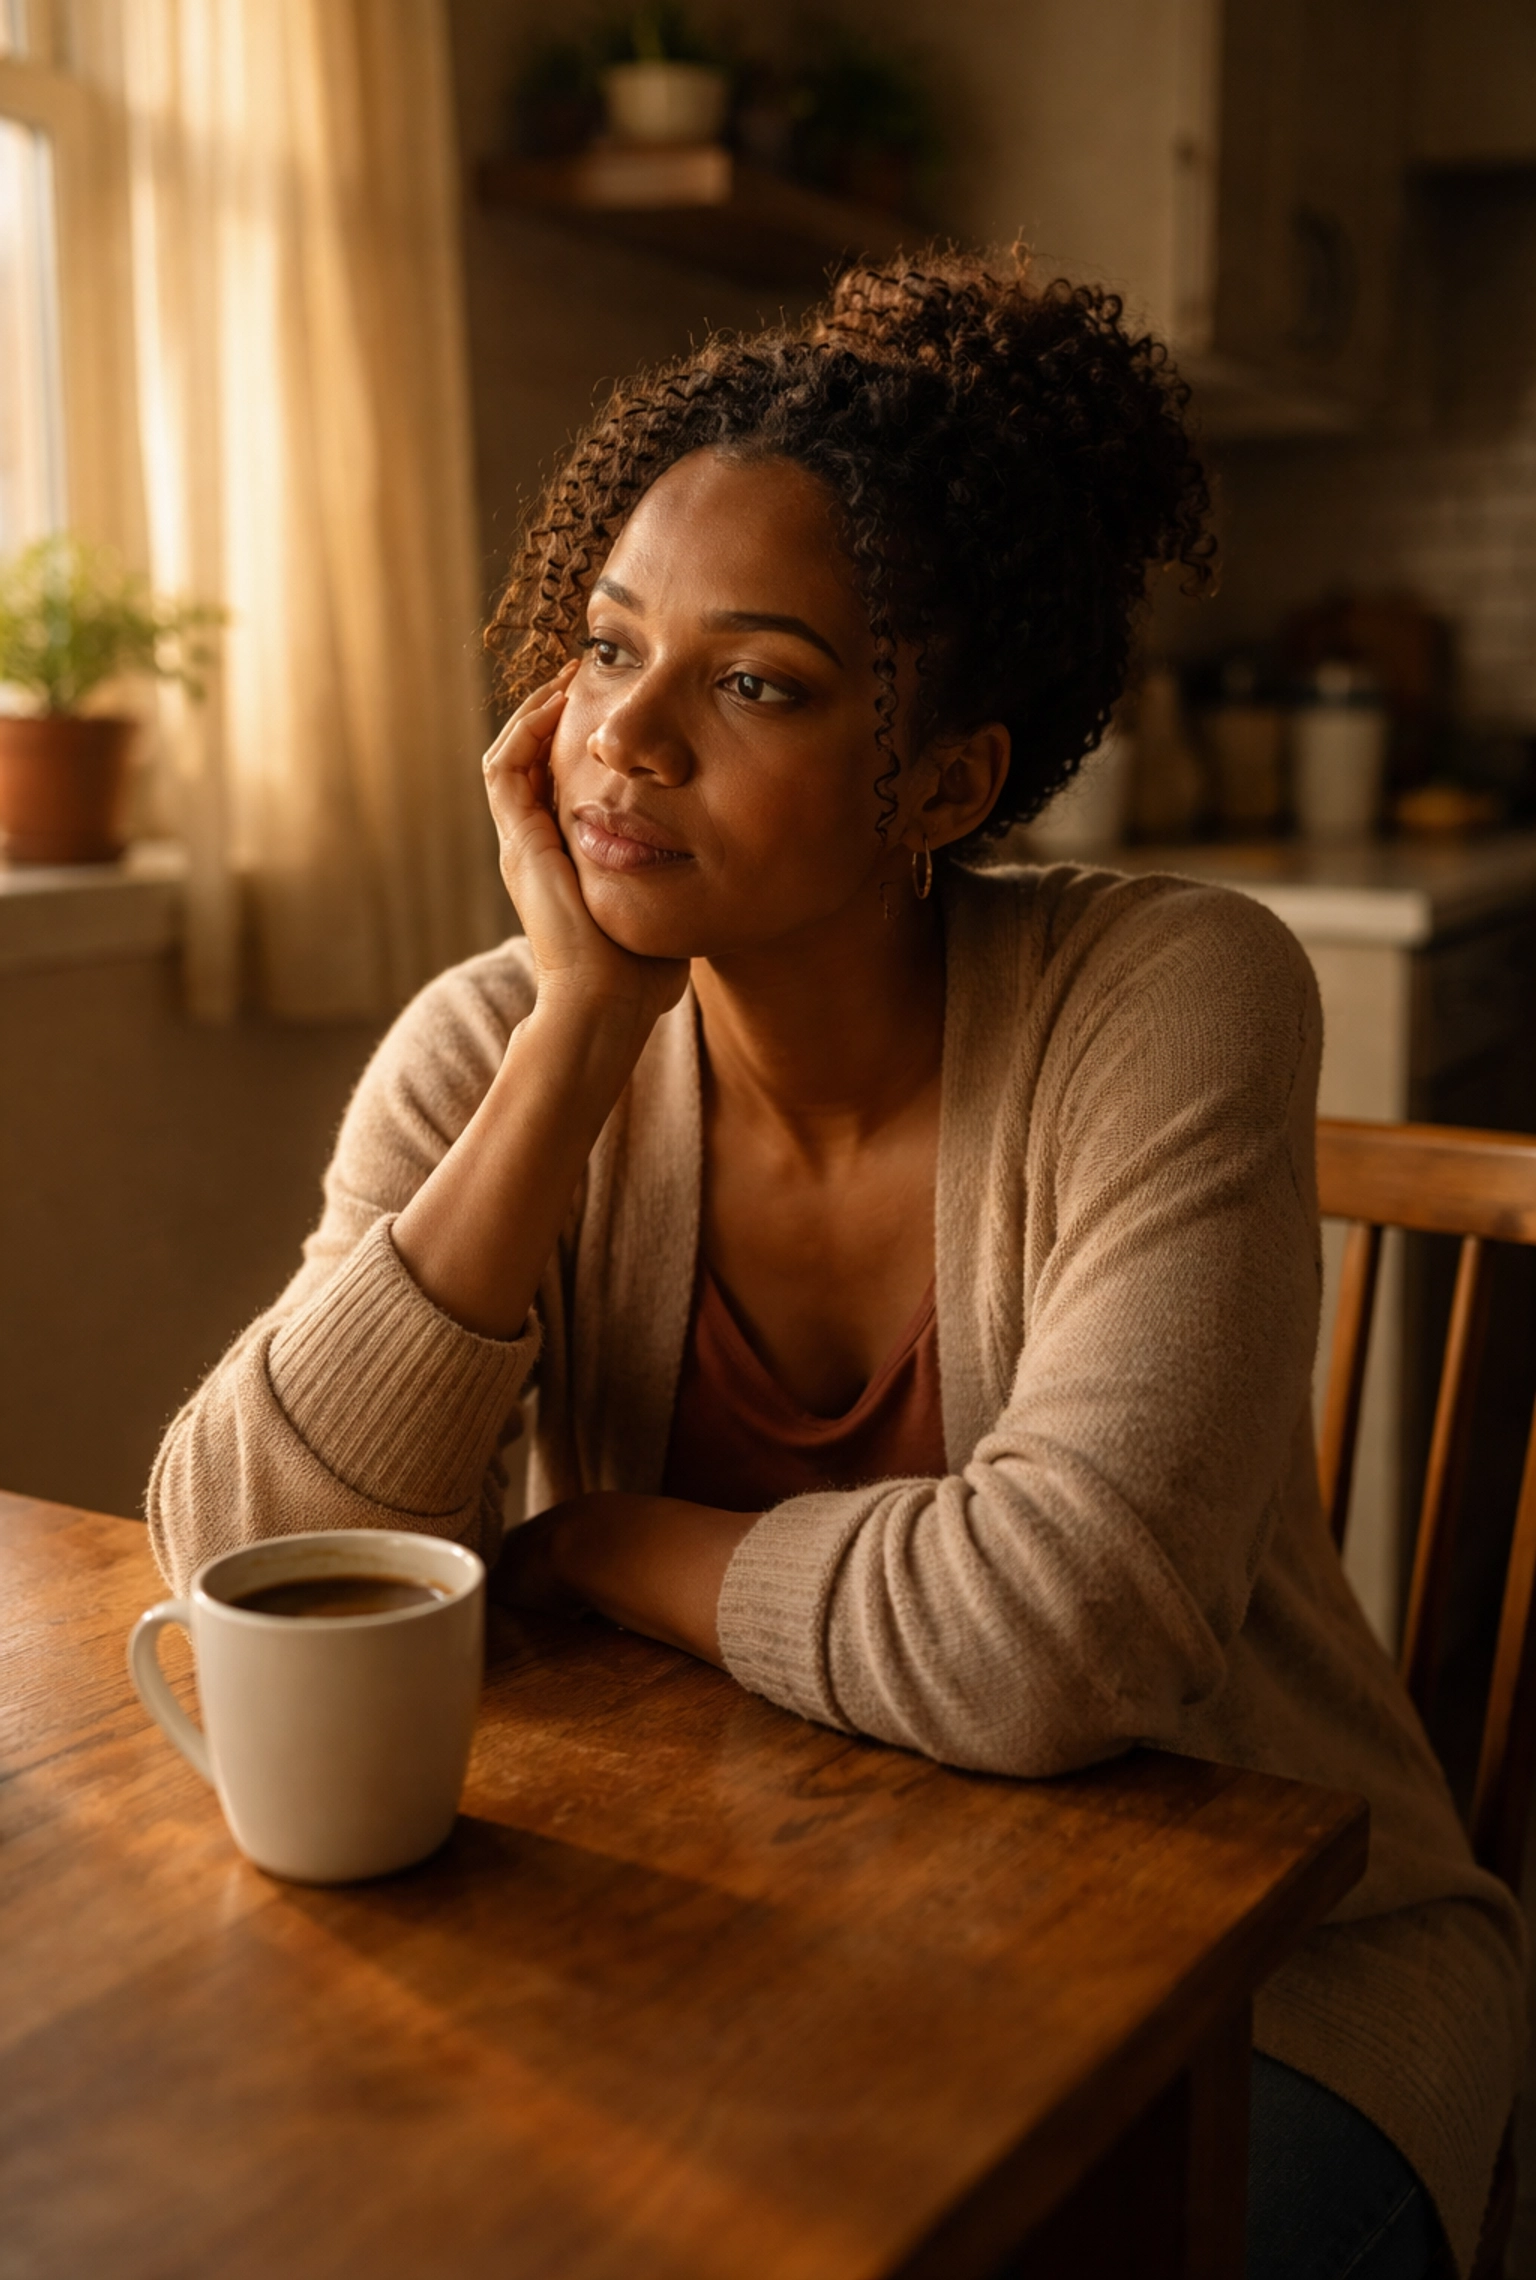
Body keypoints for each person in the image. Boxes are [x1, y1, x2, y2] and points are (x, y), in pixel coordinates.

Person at [149, 250, 1523, 2279]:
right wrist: (582, 1040)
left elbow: (1070, 1641)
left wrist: (606, 1542)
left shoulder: (1167, 996)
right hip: (750, 1929)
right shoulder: (495, 1040)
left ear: (947, 782)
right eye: (610, 649)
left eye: (757, 679)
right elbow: (234, 1554)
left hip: (1269, 1993)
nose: (629, 737)